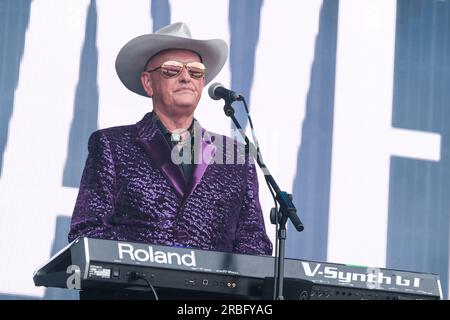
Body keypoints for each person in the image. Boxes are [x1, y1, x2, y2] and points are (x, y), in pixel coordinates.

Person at [68, 22, 272, 260]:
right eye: (172, 69)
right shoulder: (111, 145)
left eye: (195, 71)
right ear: (148, 83)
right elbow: (88, 230)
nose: (186, 77)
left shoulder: (236, 155)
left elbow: (254, 239)